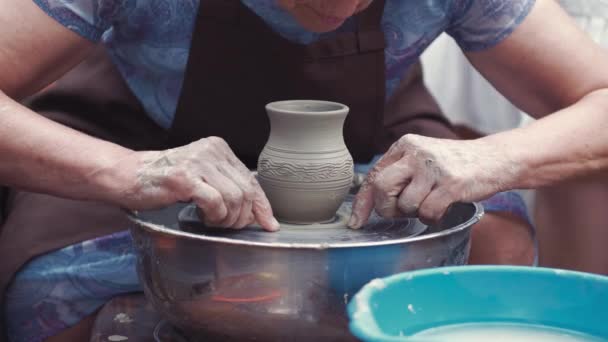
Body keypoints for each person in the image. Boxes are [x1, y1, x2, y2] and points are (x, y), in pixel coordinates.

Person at [0, 0, 604, 339]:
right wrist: (126, 172)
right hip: (136, 142)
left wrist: (493, 157)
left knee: (495, 247)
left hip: (372, 142)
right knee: (56, 302)